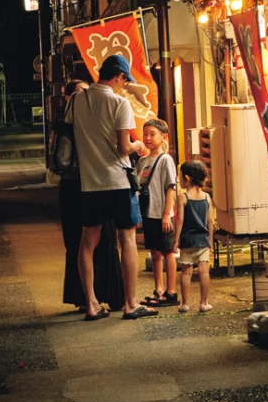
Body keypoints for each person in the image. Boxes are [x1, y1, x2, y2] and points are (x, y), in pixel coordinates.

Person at [72, 53, 157, 320]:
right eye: (124, 80)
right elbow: (123, 147)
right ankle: (130, 304)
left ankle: (92, 304)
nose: (124, 85)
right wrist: (137, 145)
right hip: (118, 182)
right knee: (127, 239)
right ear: (118, 76)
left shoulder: (77, 100)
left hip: (89, 182)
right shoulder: (120, 103)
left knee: (87, 243)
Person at [58, 81, 124, 313]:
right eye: (78, 94)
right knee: (78, 242)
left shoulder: (92, 120)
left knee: (105, 239)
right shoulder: (70, 124)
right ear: (68, 99)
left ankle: (110, 296)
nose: (85, 98)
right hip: (77, 185)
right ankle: (87, 298)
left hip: (94, 183)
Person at [136, 119, 178, 307]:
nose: (147, 138)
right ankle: (158, 289)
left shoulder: (165, 160)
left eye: (152, 134)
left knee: (167, 252)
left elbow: (171, 188)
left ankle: (171, 292)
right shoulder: (142, 161)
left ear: (164, 137)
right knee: (154, 252)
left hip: (162, 214)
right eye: (145, 134)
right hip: (148, 213)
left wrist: (167, 214)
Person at [173, 160, 213, 313]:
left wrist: (176, 240)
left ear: (188, 178)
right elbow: (210, 220)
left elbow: (179, 220)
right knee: (204, 271)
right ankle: (204, 303)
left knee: (186, 272)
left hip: (187, 240)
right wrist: (210, 239)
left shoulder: (182, 197)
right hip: (203, 240)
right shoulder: (207, 197)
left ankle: (185, 304)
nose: (180, 180)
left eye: (181, 177)